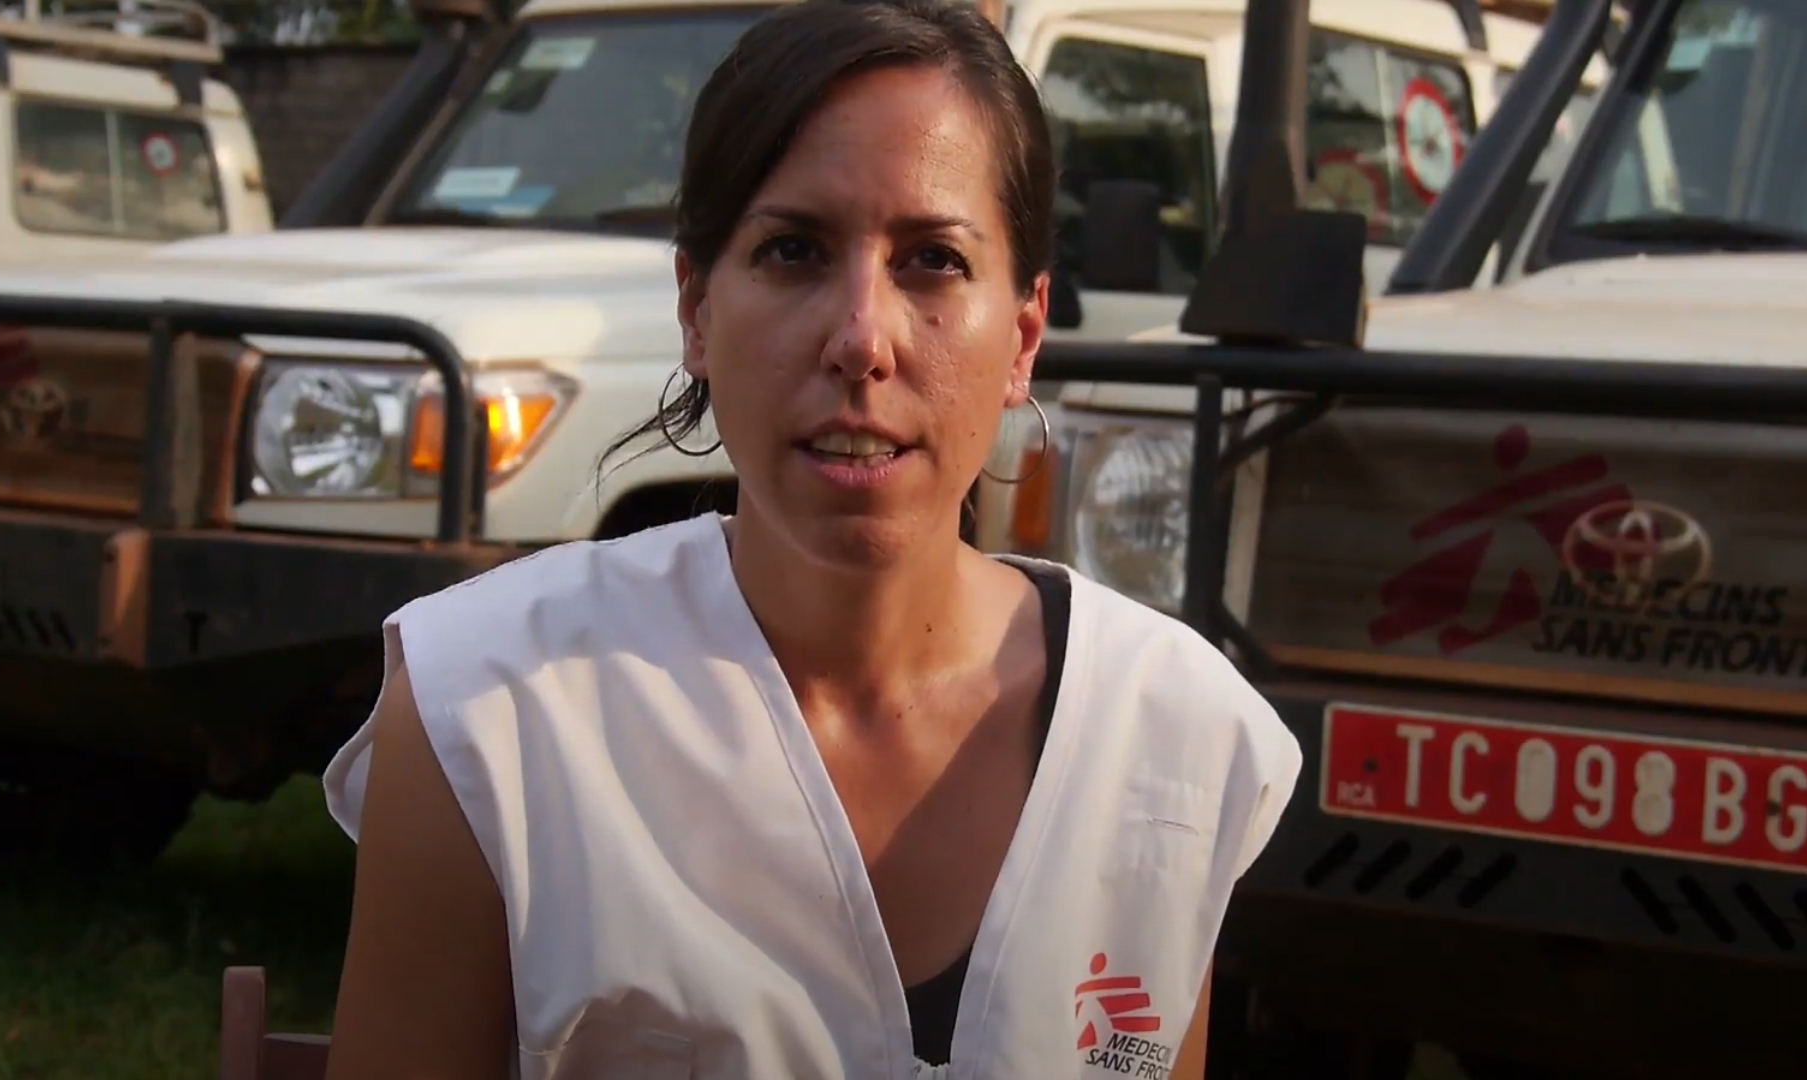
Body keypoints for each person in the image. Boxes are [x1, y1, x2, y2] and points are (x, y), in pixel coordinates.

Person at [318, 0, 1303, 1076]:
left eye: (931, 260)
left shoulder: (1169, 737)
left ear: (1023, 334)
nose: (861, 340)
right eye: (793, 250)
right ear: (696, 309)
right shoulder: (490, 711)